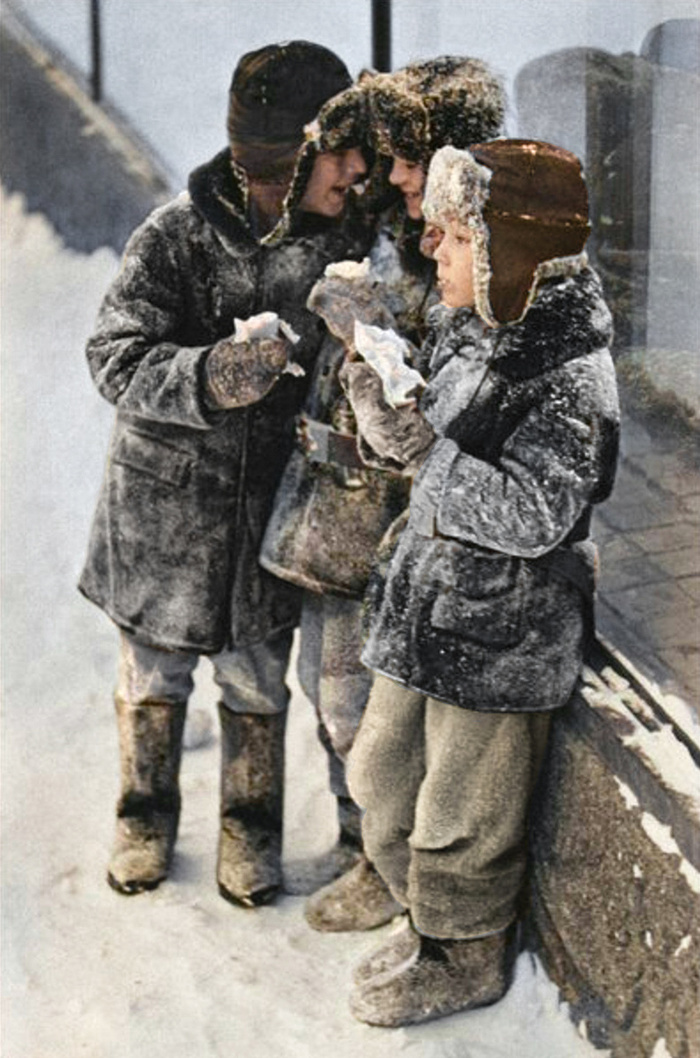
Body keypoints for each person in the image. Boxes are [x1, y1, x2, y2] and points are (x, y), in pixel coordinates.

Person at [79, 41, 373, 906]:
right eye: (339, 150)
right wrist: (207, 376)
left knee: (254, 680)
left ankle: (252, 830)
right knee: (154, 676)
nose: (356, 169)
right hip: (160, 524)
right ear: (287, 157)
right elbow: (112, 356)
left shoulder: (340, 242)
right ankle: (142, 812)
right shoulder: (175, 236)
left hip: (265, 526)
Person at [339, 140, 620, 1026]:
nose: (432, 252)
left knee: (463, 817)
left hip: (502, 633)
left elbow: (536, 515)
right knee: (380, 778)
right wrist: (385, 405)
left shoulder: (573, 374)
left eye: (452, 238)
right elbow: (437, 445)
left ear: (512, 251)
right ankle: (423, 921)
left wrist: (427, 453)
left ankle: (462, 953)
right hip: (426, 605)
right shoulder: (478, 320)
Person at [260, 56, 505, 930]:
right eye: (389, 157)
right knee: (333, 706)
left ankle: (384, 861)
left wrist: (371, 332)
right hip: (335, 513)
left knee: (363, 715)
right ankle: (363, 841)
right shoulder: (390, 221)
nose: (391, 174)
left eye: (409, 156)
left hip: (394, 527)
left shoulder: (471, 263)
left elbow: (434, 420)